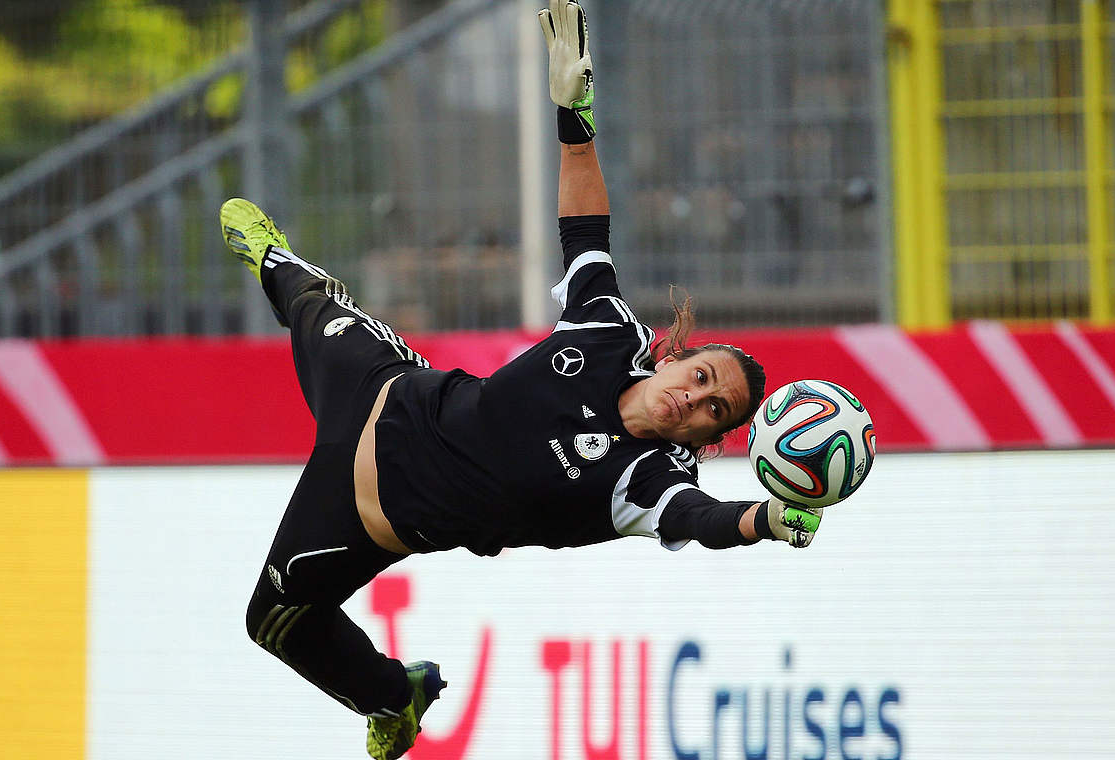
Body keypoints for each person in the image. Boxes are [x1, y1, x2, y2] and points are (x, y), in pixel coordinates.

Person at [227, 2, 824, 758]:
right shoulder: (609, 330)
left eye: (715, 411)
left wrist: (766, 521)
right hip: (386, 388)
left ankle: (393, 697)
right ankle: (282, 262)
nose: (697, 398)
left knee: (272, 621)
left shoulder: (647, 485)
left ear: (708, 437)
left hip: (361, 516)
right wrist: (573, 111)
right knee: (310, 306)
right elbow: (586, 223)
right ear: (677, 355)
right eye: (703, 376)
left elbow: (705, 524)